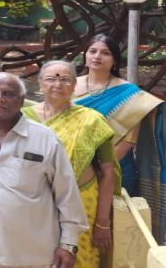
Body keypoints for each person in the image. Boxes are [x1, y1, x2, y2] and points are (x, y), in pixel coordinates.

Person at [0, 72, 87, 268]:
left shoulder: (45, 138)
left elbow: (67, 194)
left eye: (8, 94)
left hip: (36, 255)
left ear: (22, 100)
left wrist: (68, 245)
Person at [23, 61, 119, 268]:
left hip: (81, 205)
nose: (58, 84)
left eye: (65, 79)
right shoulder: (22, 120)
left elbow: (108, 172)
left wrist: (103, 222)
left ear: (75, 85)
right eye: (51, 78)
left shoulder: (91, 121)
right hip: (32, 204)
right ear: (40, 84)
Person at [73, 33, 166, 242]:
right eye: (93, 51)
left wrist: (98, 167)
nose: (97, 56)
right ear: (85, 55)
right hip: (71, 168)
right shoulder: (68, 85)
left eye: (105, 53)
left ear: (114, 60)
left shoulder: (130, 94)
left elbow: (128, 141)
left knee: (113, 230)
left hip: (114, 169)